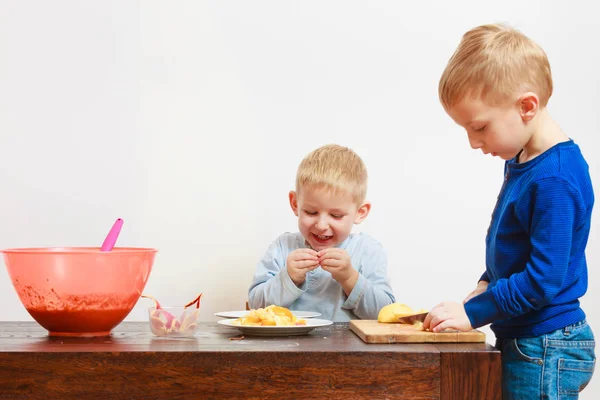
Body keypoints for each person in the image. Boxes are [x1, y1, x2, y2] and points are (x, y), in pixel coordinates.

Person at [424, 23, 596, 399]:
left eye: (480, 127)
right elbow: (515, 242)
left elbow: (542, 279)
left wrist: (475, 312)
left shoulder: (555, 178)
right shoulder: (525, 160)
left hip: (545, 345)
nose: (473, 142)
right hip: (529, 338)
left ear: (527, 106)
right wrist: (488, 279)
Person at [248, 144, 395, 321]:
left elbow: (384, 314)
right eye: (311, 212)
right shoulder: (282, 247)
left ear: (360, 212)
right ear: (295, 204)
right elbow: (255, 306)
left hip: (347, 348)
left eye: (336, 215)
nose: (321, 225)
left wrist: (349, 277)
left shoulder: (368, 250)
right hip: (288, 347)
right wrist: (288, 278)